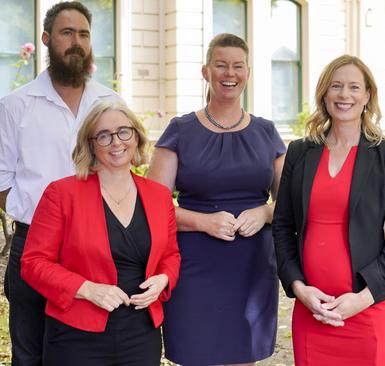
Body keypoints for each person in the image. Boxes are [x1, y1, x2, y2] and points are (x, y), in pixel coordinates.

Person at [147, 33, 285, 366]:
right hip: (194, 265)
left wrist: (266, 212)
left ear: (248, 73)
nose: (229, 73)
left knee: (242, 357)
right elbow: (152, 207)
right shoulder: (180, 131)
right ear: (205, 71)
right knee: (198, 354)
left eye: (238, 66)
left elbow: (289, 205)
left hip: (250, 267)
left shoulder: (266, 132)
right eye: (221, 65)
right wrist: (201, 222)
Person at [0, 2, 124, 364]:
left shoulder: (109, 103)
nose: (76, 42)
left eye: (83, 34)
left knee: (88, 353)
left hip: (96, 247)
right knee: (30, 355)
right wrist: (44, 224)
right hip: (33, 247)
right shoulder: (15, 106)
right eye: (66, 33)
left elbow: (120, 170)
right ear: (46, 39)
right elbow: (2, 181)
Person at [273, 55, 385, 366]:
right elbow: (282, 227)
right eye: (336, 86)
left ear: (367, 96)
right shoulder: (299, 152)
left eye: (354, 87)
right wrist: (299, 288)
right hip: (313, 310)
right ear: (324, 94)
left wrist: (361, 299)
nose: (344, 95)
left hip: (370, 308)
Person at [20, 101, 180, 365]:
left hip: (141, 332)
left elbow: (171, 255)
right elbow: (33, 263)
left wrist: (164, 279)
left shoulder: (159, 196)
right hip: (76, 334)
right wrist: (87, 289)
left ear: (136, 136)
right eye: (104, 135)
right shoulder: (61, 194)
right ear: (91, 145)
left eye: (123, 131)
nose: (116, 142)